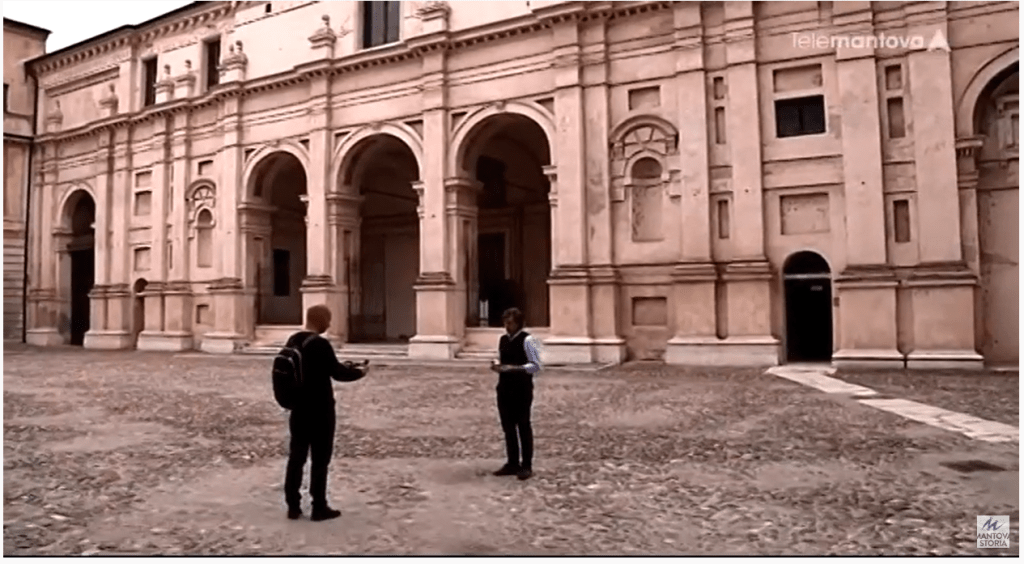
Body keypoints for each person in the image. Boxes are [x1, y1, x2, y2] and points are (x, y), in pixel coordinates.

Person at [282, 305, 368, 521]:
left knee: (296, 458)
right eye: (328, 320)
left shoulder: (293, 340)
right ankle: (319, 506)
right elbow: (337, 372)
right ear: (320, 320)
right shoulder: (320, 344)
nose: (329, 324)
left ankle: (293, 506)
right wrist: (359, 372)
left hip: (298, 410)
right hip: (320, 411)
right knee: (320, 460)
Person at [489, 307, 543, 480]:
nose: (507, 326)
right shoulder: (503, 339)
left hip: (521, 387)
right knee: (508, 427)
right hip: (504, 387)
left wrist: (516, 368)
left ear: (518, 323)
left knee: (523, 425)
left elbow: (535, 365)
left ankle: (526, 464)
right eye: (505, 322)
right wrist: (498, 366)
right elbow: (503, 358)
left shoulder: (528, 340)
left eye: (510, 323)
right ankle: (512, 462)